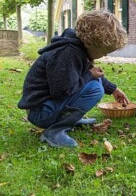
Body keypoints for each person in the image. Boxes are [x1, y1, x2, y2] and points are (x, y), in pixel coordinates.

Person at [18, 10, 129, 147]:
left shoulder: (77, 48)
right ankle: (55, 131)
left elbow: (87, 74)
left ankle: (71, 119)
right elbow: (62, 90)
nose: (104, 55)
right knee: (94, 89)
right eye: (104, 52)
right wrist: (89, 76)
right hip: (41, 112)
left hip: (46, 107)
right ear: (91, 44)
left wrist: (113, 89)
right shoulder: (67, 54)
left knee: (94, 81)